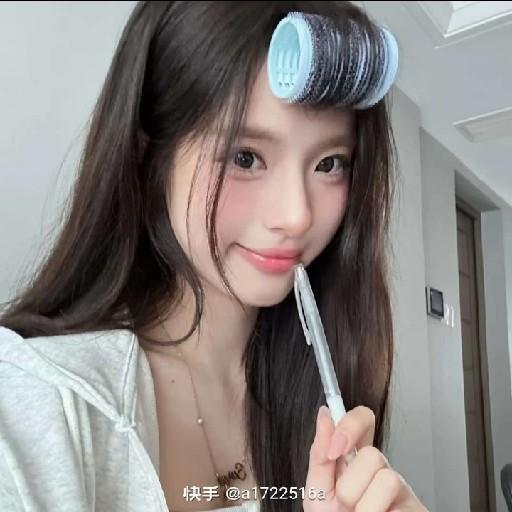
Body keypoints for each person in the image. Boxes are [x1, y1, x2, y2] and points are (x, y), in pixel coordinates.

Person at [0, 2, 428, 511]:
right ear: (150, 156)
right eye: (245, 157)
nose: (296, 216)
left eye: (330, 163)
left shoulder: (324, 386)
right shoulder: (39, 401)